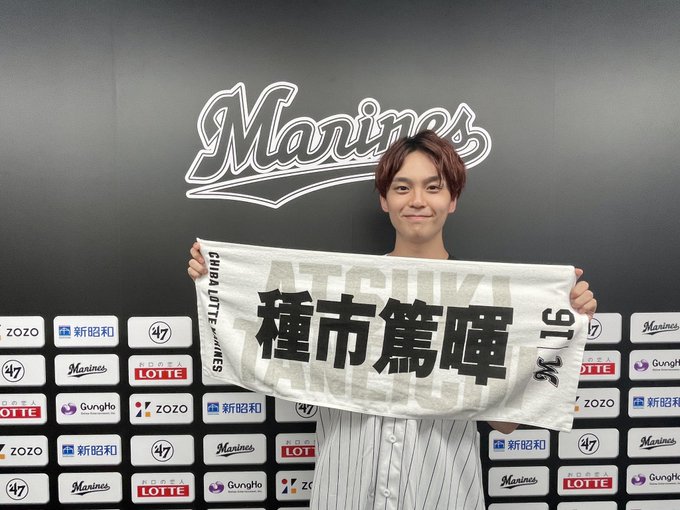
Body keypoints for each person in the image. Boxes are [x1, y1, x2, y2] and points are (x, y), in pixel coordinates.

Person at [188, 130, 597, 509]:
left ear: (452, 199)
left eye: (433, 187)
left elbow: (505, 423)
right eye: (402, 187)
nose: (417, 200)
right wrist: (220, 280)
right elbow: (282, 362)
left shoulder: (488, 303)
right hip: (343, 494)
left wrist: (565, 323)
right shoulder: (339, 294)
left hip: (443, 496)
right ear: (384, 199)